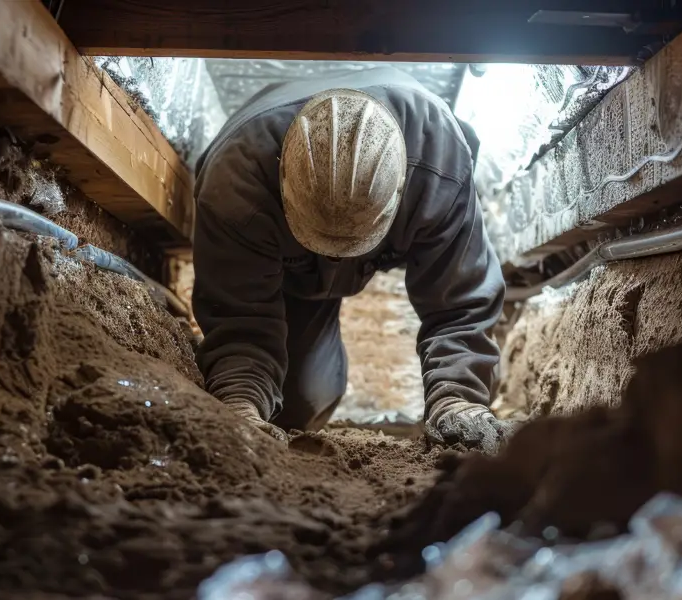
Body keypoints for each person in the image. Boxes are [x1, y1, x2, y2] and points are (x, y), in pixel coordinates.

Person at [192, 67, 514, 453]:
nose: (334, 254)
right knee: (303, 403)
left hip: (402, 195)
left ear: (400, 190)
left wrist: (458, 401)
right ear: (282, 184)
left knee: (307, 398)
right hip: (289, 274)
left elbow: (459, 303)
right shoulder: (234, 187)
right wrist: (239, 405)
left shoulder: (437, 165)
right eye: (324, 240)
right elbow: (240, 320)